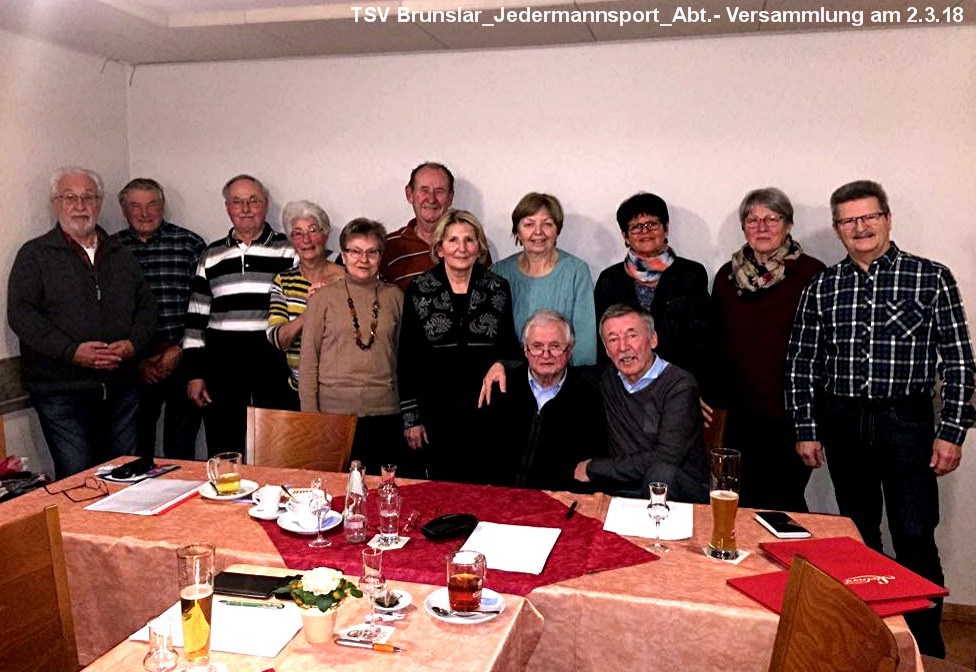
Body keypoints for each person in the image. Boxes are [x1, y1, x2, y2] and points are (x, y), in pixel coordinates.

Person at [785, 180, 975, 658]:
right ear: (837, 229)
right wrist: (806, 428)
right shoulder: (823, 286)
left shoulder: (930, 278)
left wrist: (952, 432)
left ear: (887, 219)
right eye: (848, 220)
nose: (860, 227)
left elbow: (958, 361)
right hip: (843, 422)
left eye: (868, 216)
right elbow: (801, 362)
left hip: (907, 422)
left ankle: (925, 649)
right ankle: (870, 642)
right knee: (859, 537)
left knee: (914, 536)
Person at [7, 166, 155, 478]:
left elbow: (146, 308)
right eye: (69, 197)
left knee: (126, 475)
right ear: (55, 203)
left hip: (120, 386)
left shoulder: (121, 253)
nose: (79, 205)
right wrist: (71, 351)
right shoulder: (34, 255)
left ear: (99, 203)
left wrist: (133, 345)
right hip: (61, 390)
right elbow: (22, 315)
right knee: (78, 478)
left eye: (88, 197)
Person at [707, 188, 825, 511]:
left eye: (771, 219)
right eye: (752, 220)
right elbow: (716, 341)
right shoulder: (727, 277)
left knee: (783, 503)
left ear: (788, 224)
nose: (761, 227)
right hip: (739, 416)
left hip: (790, 415)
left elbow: (823, 351)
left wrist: (812, 422)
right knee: (738, 502)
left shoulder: (811, 274)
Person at [398, 209, 520, 482]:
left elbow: (509, 347)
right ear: (439, 248)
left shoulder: (497, 287)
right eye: (453, 240)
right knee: (442, 490)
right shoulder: (419, 288)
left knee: (485, 489)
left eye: (469, 240)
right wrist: (411, 418)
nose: (461, 248)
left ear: (479, 247)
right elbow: (407, 357)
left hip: (488, 411)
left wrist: (502, 363)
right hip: (436, 414)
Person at [183, 174, 297, 457]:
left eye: (253, 200)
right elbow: (196, 319)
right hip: (222, 362)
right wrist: (195, 374)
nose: (246, 208)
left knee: (277, 445)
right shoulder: (211, 255)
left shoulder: (289, 250)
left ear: (265, 204)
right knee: (224, 446)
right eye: (237, 202)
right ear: (227, 208)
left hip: (273, 361)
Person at [298, 218, 407, 472]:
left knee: (384, 488)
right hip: (333, 415)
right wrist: (311, 418)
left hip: (385, 412)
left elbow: (404, 358)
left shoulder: (395, 297)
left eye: (372, 252)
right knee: (336, 488)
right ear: (343, 255)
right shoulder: (322, 299)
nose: (363, 259)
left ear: (381, 256)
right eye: (355, 251)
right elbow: (308, 362)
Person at [112, 178, 206, 460]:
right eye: (135, 206)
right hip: (132, 364)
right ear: (123, 210)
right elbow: (104, 312)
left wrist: (179, 349)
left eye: (152, 204)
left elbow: (205, 304)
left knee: (180, 447)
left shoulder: (190, 244)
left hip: (183, 357)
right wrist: (139, 359)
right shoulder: (110, 249)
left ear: (163, 206)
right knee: (135, 449)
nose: (145, 213)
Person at [575, 304, 708, 502]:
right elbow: (553, 368)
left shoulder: (679, 386)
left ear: (653, 339)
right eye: (613, 339)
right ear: (607, 350)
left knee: (661, 474)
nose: (623, 347)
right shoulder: (605, 380)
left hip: (679, 493)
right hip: (624, 492)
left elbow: (666, 457)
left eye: (632, 335)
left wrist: (593, 468)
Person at [480, 310, 607, 491]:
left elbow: (590, 467)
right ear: (526, 350)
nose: (545, 355)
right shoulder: (502, 387)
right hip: (498, 495)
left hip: (556, 500)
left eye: (555, 346)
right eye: (537, 346)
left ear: (569, 349)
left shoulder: (588, 399)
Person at [593, 192, 709, 382]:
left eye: (652, 224)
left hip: (679, 379)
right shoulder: (609, 280)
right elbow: (602, 341)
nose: (645, 231)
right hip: (624, 382)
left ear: (666, 229)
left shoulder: (690, 274)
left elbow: (701, 338)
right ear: (625, 236)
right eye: (636, 227)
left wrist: (686, 385)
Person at [491, 193, 597, 365]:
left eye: (547, 224)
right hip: (511, 373)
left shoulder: (576, 271)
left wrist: (581, 378)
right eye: (529, 224)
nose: (538, 232)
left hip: (564, 374)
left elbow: (585, 343)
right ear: (517, 232)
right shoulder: (499, 272)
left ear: (557, 230)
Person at [267, 201, 344, 405]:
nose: (306, 239)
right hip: (299, 391)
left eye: (313, 230)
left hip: (344, 390)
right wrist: (310, 313)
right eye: (298, 233)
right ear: (291, 240)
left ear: (325, 235)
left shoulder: (348, 277)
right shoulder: (284, 281)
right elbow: (278, 339)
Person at [379, 162, 493, 290]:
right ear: (409, 194)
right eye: (424, 190)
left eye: (439, 191)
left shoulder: (471, 244)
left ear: (450, 197)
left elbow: (489, 291)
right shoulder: (389, 246)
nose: (431, 199)